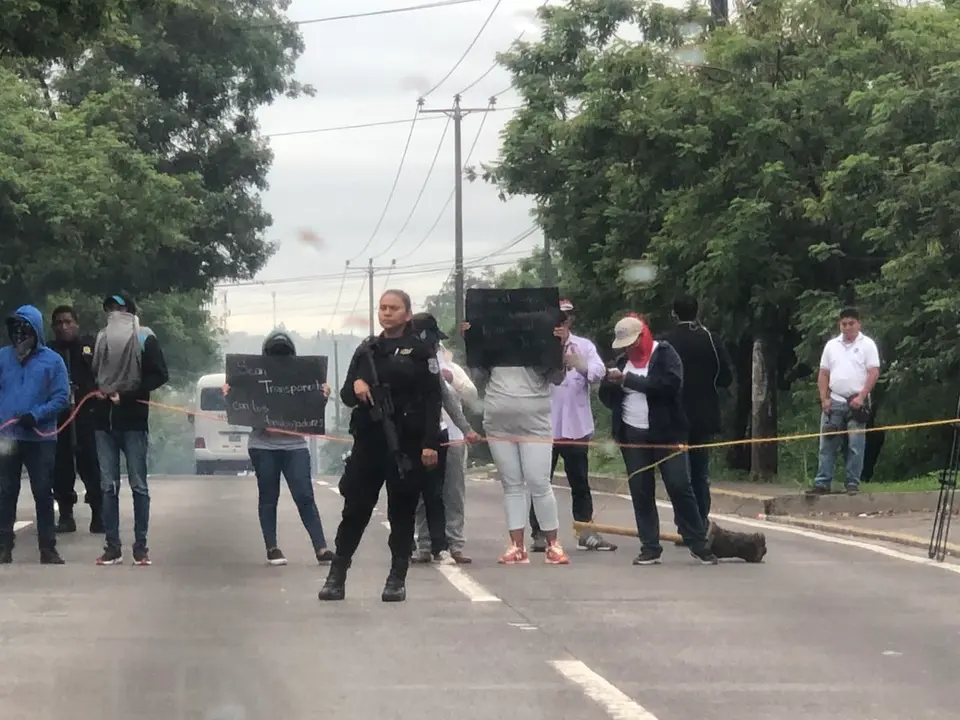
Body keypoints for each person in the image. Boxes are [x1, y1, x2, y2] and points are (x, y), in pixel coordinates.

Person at [318, 289, 442, 603]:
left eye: (394, 308)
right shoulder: (367, 350)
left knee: (401, 512)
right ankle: (337, 575)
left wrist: (430, 444)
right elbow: (346, 394)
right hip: (370, 441)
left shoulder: (421, 351)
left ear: (407, 314)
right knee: (355, 509)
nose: (386, 313)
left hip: (406, 442)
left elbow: (433, 399)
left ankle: (396, 577)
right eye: (383, 308)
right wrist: (357, 385)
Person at [598, 314, 718, 565]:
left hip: (668, 433)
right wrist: (610, 383)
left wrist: (629, 380)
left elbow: (669, 386)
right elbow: (607, 399)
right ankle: (649, 546)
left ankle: (697, 542)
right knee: (641, 490)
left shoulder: (665, 355)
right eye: (624, 346)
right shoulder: (621, 362)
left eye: (632, 343)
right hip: (632, 434)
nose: (629, 350)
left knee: (679, 486)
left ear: (643, 337)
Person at [462, 320, 570, 566]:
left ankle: (553, 544)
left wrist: (558, 347)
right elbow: (477, 376)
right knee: (512, 485)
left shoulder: (540, 348)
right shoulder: (494, 349)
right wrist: (473, 342)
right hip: (499, 423)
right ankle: (516, 546)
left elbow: (557, 377)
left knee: (539, 482)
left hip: (535, 423)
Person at [225, 330, 335, 566]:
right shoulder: (253, 376)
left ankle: (321, 546)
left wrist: (322, 397)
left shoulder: (304, 376)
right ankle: (272, 547)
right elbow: (240, 403)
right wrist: (230, 395)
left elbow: (311, 408)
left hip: (295, 445)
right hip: (263, 445)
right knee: (268, 496)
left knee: (305, 495)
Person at [530, 299, 615, 553]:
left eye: (565, 317)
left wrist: (581, 365)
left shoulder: (584, 346)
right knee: (540, 481)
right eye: (557, 317)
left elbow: (600, 372)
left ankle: (585, 531)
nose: (561, 322)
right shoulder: (539, 347)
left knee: (579, 481)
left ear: (570, 320)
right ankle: (539, 533)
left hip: (575, 426)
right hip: (545, 425)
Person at [92, 293, 169, 566]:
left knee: (138, 485)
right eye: (110, 308)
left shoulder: (144, 337)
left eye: (119, 307)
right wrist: (98, 393)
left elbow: (159, 374)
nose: (115, 312)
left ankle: (141, 547)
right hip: (103, 422)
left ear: (130, 311)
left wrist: (126, 394)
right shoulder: (101, 338)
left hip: (133, 421)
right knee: (107, 486)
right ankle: (112, 546)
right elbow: (94, 374)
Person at [0, 305, 70, 564]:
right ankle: (4, 546)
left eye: (24, 329)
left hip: (40, 437)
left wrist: (37, 414)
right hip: (8, 435)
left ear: (35, 331)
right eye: (15, 329)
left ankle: (47, 548)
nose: (19, 335)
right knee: (6, 490)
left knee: (42, 490)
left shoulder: (52, 361)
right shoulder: (3, 358)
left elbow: (62, 397)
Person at [409, 313, 480, 565]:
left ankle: (454, 543)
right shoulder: (400, 362)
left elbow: (453, 398)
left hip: (450, 437)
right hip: (414, 438)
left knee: (452, 493)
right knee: (421, 495)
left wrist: (466, 428)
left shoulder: (440, 366)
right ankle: (424, 545)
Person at [660, 295, 733, 530]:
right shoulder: (711, 339)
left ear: (674, 314)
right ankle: (700, 521)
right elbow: (725, 377)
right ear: (697, 312)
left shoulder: (665, 343)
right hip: (704, 413)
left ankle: (685, 523)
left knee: (681, 475)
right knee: (700, 472)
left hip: (673, 415)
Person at [811, 307, 880, 495]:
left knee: (856, 445)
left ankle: (852, 484)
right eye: (844, 324)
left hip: (857, 401)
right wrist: (824, 398)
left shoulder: (867, 345)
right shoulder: (832, 345)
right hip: (835, 401)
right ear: (839, 325)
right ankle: (822, 482)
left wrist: (862, 396)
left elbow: (873, 372)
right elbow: (823, 373)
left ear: (858, 324)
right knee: (827, 443)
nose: (847, 327)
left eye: (851, 323)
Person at [49, 305, 103, 534]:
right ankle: (66, 515)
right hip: (58, 418)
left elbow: (102, 375)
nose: (64, 326)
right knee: (60, 467)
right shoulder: (48, 353)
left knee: (91, 465)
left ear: (76, 324)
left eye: (68, 321)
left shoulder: (89, 348)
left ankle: (99, 515)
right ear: (53, 328)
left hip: (86, 415)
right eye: (59, 323)